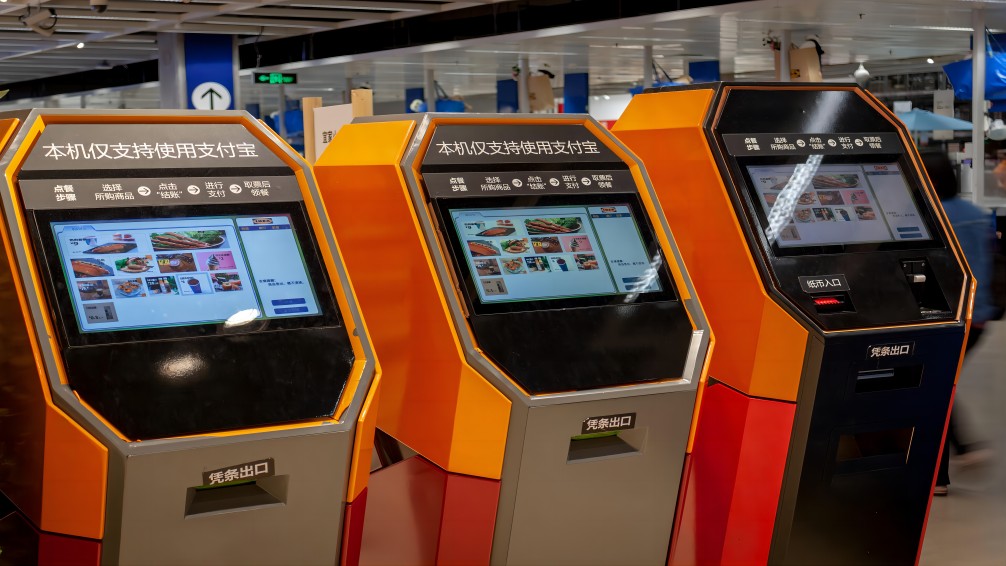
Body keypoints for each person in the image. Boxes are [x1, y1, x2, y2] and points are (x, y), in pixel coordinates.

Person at [922, 151, 997, 496]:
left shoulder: (933, 216)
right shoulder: (976, 214)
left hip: (945, 316)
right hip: (978, 315)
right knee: (939, 384)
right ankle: (956, 454)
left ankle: (942, 471)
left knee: (933, 388)